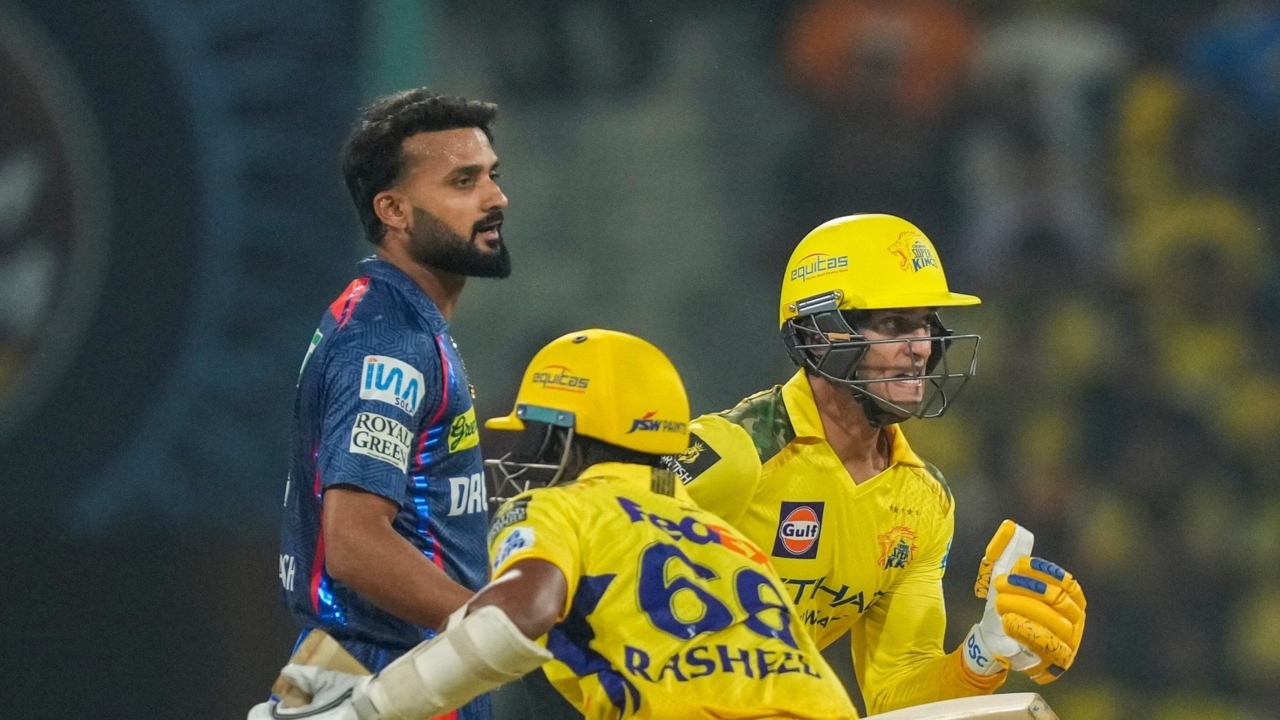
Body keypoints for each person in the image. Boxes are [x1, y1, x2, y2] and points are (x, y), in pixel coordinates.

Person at [251, 329, 860, 720]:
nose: (524, 456)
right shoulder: (729, 540)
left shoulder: (562, 507)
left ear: (568, 439)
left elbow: (519, 614)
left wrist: (370, 708)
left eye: (537, 435)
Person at [662, 214, 1087, 715]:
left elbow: (894, 692)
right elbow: (593, 529)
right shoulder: (737, 452)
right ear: (821, 334)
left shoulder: (924, 503)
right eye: (894, 325)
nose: (921, 347)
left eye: (925, 324)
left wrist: (982, 653)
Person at [268, 89, 511, 720]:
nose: (495, 198)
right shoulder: (389, 342)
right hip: (394, 676)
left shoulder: (395, 319)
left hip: (366, 666)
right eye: (464, 182)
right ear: (394, 209)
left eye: (492, 175)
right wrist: (493, 629)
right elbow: (354, 542)